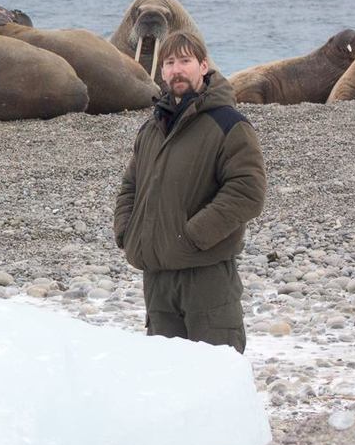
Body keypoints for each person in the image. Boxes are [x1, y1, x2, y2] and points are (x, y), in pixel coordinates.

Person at [113, 30, 266, 352]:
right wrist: (127, 232)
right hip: (157, 277)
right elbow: (131, 186)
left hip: (206, 275)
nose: (176, 69)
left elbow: (248, 191)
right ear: (162, 71)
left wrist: (193, 236)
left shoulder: (229, 124)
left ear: (203, 66)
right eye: (169, 62)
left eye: (185, 61)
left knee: (217, 376)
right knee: (168, 381)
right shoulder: (153, 128)